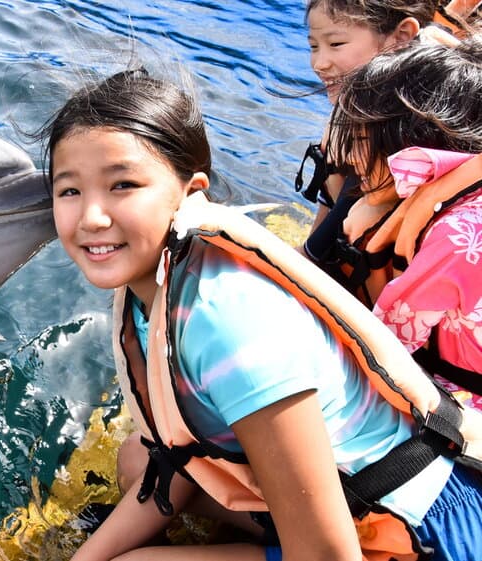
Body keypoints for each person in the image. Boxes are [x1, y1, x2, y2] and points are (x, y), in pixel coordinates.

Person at [33, 67, 482, 561]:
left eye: (123, 185)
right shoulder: (160, 281)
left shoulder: (228, 321)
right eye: (70, 190)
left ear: (190, 191)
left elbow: (328, 556)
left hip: (428, 534)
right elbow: (178, 459)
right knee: (137, 460)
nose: (93, 217)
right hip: (357, 505)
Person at [327, 36, 482, 410]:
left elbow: (383, 353)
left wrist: (365, 240)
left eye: (361, 138)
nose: (348, 156)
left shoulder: (455, 237)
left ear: (408, 143)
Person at [297, 0, 456, 307]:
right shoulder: (351, 119)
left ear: (402, 36)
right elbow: (316, 243)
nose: (319, 63)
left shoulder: (416, 132)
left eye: (336, 43)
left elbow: (309, 258)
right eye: (314, 46)